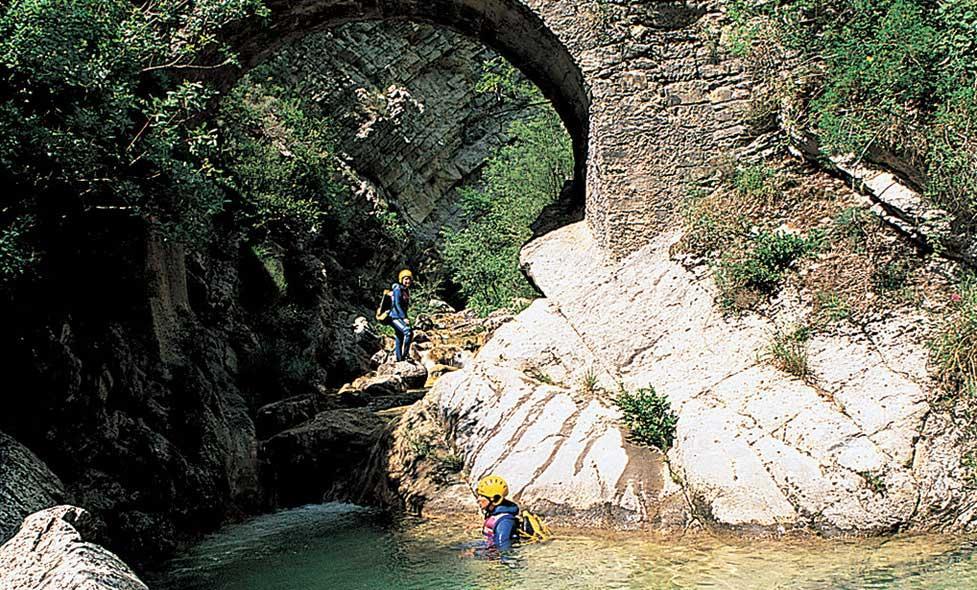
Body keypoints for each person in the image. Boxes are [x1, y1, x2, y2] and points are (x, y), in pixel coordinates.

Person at [476, 474, 520, 552]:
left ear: (495, 499)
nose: (478, 499)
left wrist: (477, 554)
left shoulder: (504, 521)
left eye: (482, 496)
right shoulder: (493, 514)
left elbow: (503, 546)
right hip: (490, 546)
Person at [390, 269, 413, 362]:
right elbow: (397, 304)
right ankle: (405, 355)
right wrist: (404, 318)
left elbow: (405, 307)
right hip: (394, 316)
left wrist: (405, 316)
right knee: (408, 332)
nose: (408, 281)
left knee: (399, 336)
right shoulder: (397, 289)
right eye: (406, 279)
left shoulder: (406, 290)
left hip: (399, 316)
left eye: (409, 279)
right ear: (401, 279)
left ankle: (399, 360)